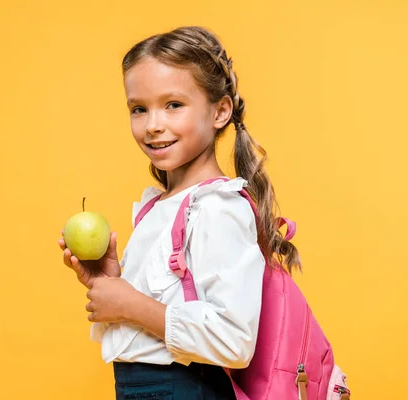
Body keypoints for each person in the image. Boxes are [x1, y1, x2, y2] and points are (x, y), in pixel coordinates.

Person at [58, 26, 301, 400]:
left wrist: (131, 304)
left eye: (173, 105)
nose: (153, 124)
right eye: (139, 108)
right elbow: (161, 311)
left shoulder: (218, 208)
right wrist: (110, 283)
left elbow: (233, 341)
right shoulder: (160, 206)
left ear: (220, 111)